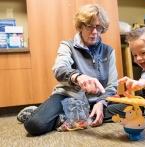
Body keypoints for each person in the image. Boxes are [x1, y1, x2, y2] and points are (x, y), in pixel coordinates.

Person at [17, 4, 128, 136]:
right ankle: (42, 112)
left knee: (133, 110)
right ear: (81, 25)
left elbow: (111, 86)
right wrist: (78, 77)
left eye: (99, 27)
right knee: (35, 125)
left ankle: (69, 119)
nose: (94, 32)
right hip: (66, 97)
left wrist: (101, 103)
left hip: (95, 101)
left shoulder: (108, 51)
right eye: (90, 26)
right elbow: (59, 69)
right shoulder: (67, 46)